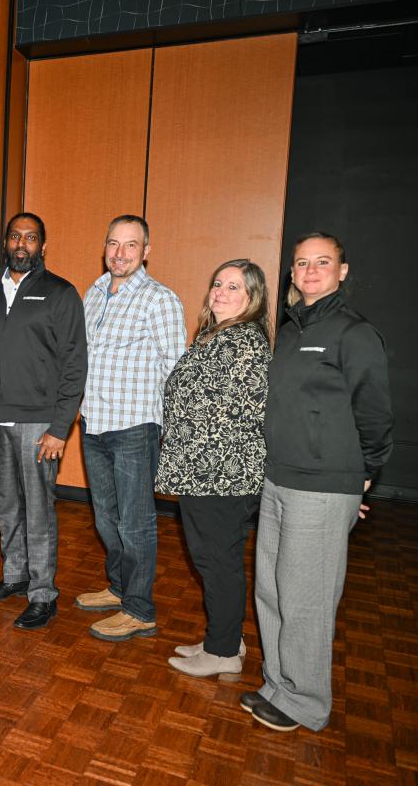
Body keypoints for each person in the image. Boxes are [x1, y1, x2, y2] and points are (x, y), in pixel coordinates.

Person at [244, 232, 393, 733]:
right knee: (271, 591)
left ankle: (305, 702)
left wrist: (360, 479)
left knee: (306, 599)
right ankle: (277, 683)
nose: (310, 270)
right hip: (278, 478)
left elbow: (375, 415)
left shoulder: (354, 334)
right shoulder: (288, 330)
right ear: (291, 272)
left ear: (342, 271)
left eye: (322, 262)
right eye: (301, 263)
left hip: (322, 486)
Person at [0, 212, 87, 630]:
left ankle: (42, 594)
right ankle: (15, 576)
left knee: (39, 510)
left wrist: (60, 427)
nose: (22, 244)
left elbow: (75, 364)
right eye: (15, 236)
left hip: (40, 424)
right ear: (5, 242)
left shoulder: (60, 293)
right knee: (7, 505)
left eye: (31, 237)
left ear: (43, 246)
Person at [155, 259, 271, 678]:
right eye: (217, 283)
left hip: (221, 475)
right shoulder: (215, 336)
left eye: (233, 287)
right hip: (202, 472)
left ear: (252, 297)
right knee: (212, 559)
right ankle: (225, 639)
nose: (220, 292)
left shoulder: (244, 343)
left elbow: (231, 415)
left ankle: (222, 651)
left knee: (217, 561)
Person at [76, 214, 185, 642]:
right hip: (95, 423)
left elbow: (175, 369)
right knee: (106, 518)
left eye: (130, 245)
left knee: (135, 522)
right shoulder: (95, 292)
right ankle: (119, 587)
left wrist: (171, 432)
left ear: (146, 252)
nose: (120, 253)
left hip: (135, 426)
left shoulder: (160, 299)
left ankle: (140, 610)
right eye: (113, 243)